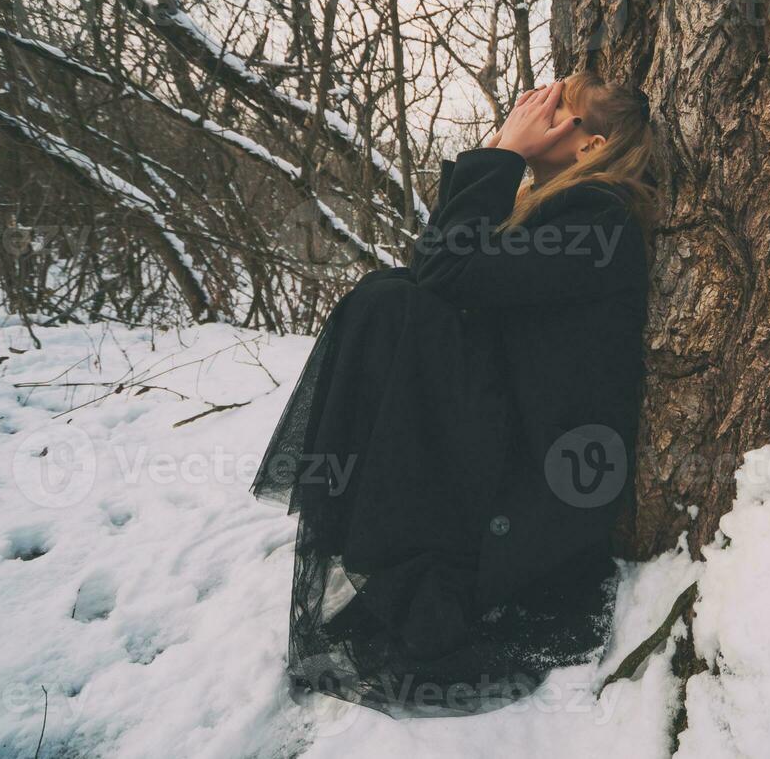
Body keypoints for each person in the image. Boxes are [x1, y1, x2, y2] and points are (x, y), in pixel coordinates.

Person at [250, 73, 658, 716]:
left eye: (557, 106)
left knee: (393, 302)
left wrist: (500, 156)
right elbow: (446, 273)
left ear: (588, 145)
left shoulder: (596, 218)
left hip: (541, 476)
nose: (535, 105)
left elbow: (448, 272)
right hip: (514, 434)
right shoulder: (556, 210)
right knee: (390, 299)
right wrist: (501, 160)